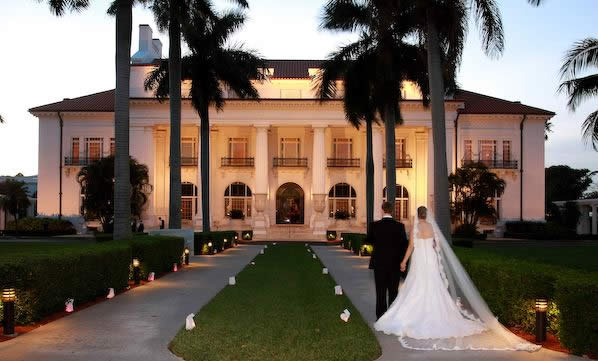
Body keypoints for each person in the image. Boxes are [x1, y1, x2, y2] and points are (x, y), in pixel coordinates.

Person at [373, 206, 540, 351]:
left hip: (419, 260)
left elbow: (410, 247)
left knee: (417, 285)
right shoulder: (431, 227)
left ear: (418, 215)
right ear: (427, 215)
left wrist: (403, 262)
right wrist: (435, 259)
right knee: (433, 285)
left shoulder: (414, 229)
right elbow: (437, 247)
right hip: (430, 259)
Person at [366, 201, 409, 320]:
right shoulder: (400, 226)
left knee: (380, 291)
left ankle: (380, 317)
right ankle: (392, 317)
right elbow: (404, 245)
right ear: (393, 211)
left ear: (382, 210)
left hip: (379, 263)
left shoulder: (374, 225)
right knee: (393, 292)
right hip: (394, 264)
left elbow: (369, 240)